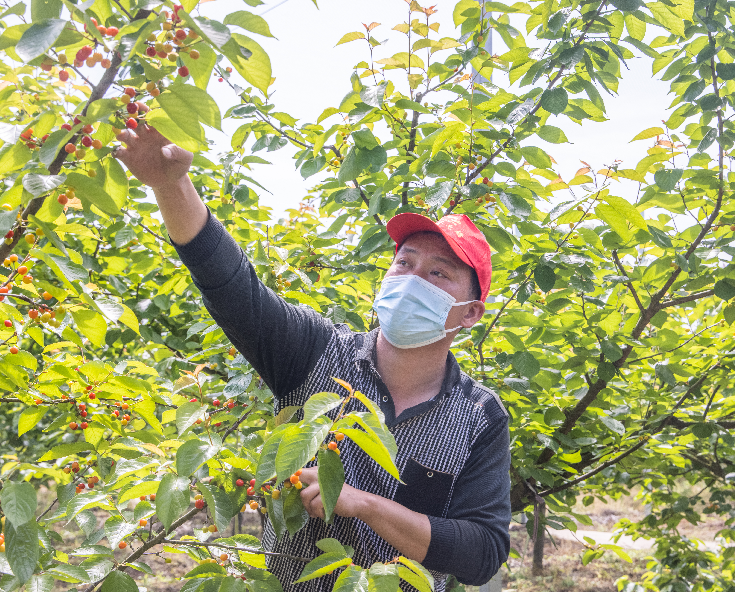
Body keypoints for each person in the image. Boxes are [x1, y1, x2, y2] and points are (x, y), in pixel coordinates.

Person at [114, 114, 511, 590]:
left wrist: (363, 503)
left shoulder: (480, 415)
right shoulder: (317, 352)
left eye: (438, 274)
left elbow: (482, 553)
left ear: (469, 314)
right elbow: (232, 287)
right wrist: (171, 185)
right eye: (403, 264)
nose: (410, 281)